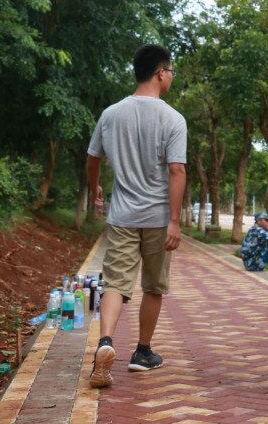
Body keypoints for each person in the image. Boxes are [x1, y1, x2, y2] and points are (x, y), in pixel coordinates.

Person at [86, 45, 187, 389]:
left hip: (122, 216)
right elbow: (176, 170)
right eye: (171, 71)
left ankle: (105, 342)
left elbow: (93, 159)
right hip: (158, 218)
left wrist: (96, 189)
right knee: (153, 286)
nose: (171, 77)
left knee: (115, 282)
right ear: (160, 72)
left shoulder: (111, 114)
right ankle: (142, 352)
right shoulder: (173, 118)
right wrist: (175, 221)